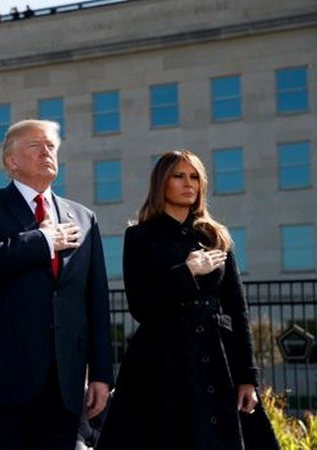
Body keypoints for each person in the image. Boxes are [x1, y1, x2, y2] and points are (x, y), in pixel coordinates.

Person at [97, 150, 280, 450]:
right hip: (162, 362)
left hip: (217, 361)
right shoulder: (140, 237)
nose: (189, 184)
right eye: (179, 176)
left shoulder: (215, 236)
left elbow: (237, 308)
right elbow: (140, 305)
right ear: (162, 183)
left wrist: (247, 377)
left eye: (194, 176)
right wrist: (188, 271)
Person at [0, 119, 114, 450]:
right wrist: (42, 241)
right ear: (11, 162)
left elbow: (96, 301)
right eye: (34, 146)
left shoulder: (84, 218)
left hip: (63, 389)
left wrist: (101, 373)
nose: (46, 152)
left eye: (51, 146)